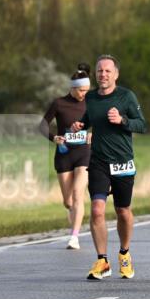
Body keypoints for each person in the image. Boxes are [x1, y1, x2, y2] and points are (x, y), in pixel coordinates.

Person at [71, 55, 147, 279]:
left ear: (116, 74)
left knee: (123, 211)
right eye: (99, 71)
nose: (103, 74)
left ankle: (124, 253)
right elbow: (88, 118)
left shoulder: (126, 96)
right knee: (97, 209)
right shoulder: (92, 97)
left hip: (123, 161)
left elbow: (142, 124)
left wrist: (123, 120)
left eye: (107, 71)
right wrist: (81, 125)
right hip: (99, 162)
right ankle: (102, 261)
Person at [41, 63, 92, 250]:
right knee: (68, 201)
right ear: (72, 88)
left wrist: (93, 134)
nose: (84, 94)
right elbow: (42, 125)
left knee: (79, 194)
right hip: (64, 155)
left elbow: (103, 123)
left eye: (87, 90)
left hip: (84, 154)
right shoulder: (59, 103)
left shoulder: (90, 103)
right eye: (81, 90)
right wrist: (53, 137)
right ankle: (73, 214)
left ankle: (74, 236)